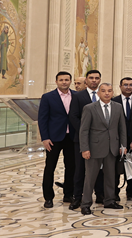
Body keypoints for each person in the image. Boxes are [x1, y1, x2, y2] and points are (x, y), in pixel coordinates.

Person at [78, 83, 127, 215]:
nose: (107, 93)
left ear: (112, 93)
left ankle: (109, 201)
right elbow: (84, 130)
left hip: (112, 148)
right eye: (104, 91)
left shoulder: (118, 107)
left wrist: (123, 146)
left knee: (111, 176)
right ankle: (86, 204)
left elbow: (122, 128)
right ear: (98, 93)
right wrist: (84, 148)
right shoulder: (89, 108)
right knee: (90, 178)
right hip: (94, 148)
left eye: (109, 91)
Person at [39, 71, 78, 208]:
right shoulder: (48, 97)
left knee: (71, 167)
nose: (64, 82)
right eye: (61, 80)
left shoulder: (77, 96)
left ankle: (68, 194)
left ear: (70, 81)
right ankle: (48, 197)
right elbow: (42, 119)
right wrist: (45, 138)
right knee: (50, 167)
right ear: (56, 82)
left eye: (66, 80)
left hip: (71, 137)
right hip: (53, 138)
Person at [69, 69, 104, 210]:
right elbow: (73, 116)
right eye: (91, 78)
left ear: (100, 80)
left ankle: (100, 194)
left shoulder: (104, 95)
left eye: (97, 78)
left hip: (100, 140)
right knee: (80, 170)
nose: (94, 80)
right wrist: (86, 131)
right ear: (86, 80)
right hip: (82, 139)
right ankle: (77, 197)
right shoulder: (78, 96)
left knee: (100, 169)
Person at [111, 77, 132, 201]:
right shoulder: (113, 101)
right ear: (120, 86)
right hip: (116, 139)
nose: (128, 87)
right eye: (125, 85)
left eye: (131, 85)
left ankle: (131, 190)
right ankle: (114, 192)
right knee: (115, 166)